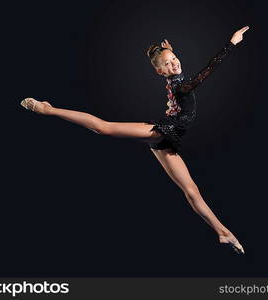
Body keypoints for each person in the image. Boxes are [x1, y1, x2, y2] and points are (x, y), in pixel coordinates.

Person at [21, 26, 250, 254]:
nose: (174, 64)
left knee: (191, 190)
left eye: (175, 59)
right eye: (168, 64)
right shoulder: (182, 85)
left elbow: (172, 68)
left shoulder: (176, 76)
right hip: (164, 130)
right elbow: (208, 70)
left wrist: (167, 52)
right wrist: (231, 44)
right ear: (160, 72)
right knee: (104, 128)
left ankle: (222, 232)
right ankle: (47, 110)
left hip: (167, 138)